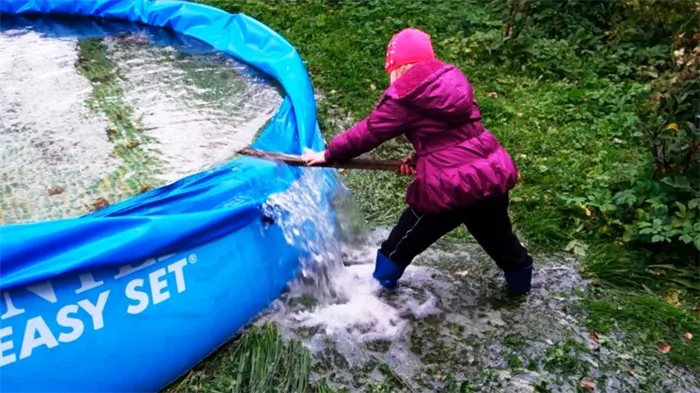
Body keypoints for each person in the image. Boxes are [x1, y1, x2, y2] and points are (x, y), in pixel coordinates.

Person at [302, 28, 533, 296]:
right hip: (488, 177)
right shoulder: (452, 84)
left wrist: (329, 154)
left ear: (398, 66)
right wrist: (421, 158)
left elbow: (370, 132)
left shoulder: (407, 95)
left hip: (450, 188)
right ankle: (522, 292)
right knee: (501, 242)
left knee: (399, 245)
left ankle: (373, 300)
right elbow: (453, 137)